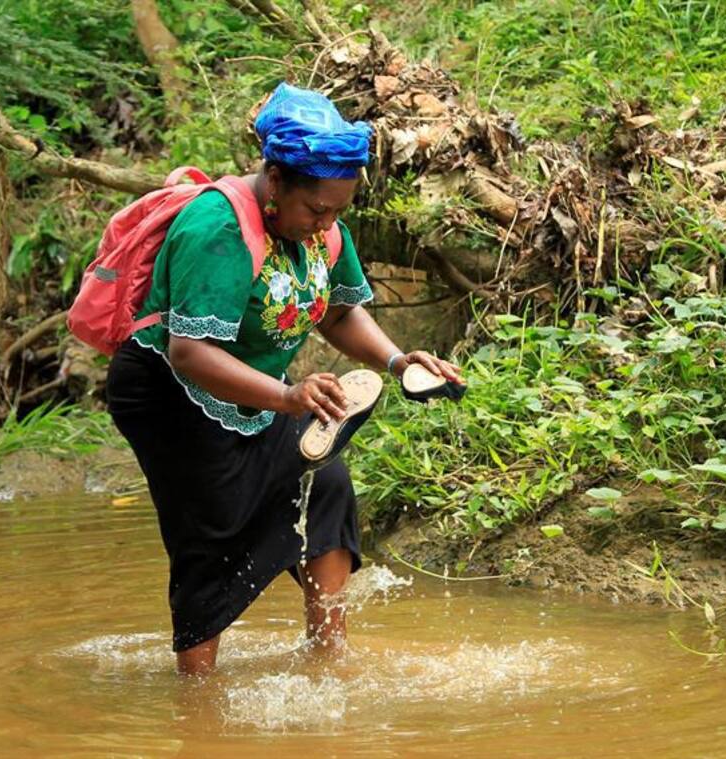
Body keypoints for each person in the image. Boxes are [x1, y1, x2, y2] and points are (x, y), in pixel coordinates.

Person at [105, 82, 464, 675]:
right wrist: (287, 396)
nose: (326, 222)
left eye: (338, 210)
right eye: (316, 209)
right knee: (210, 528)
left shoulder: (322, 229)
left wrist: (401, 362)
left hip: (252, 390)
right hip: (168, 393)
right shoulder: (217, 229)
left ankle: (329, 653)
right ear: (275, 179)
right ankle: (197, 702)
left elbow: (342, 311)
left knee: (325, 485)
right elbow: (190, 353)